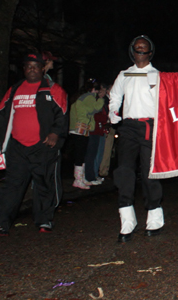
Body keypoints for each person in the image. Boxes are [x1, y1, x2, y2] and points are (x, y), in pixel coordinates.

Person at [0, 54, 68, 236]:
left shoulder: (53, 89)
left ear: (43, 68)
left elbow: (63, 113)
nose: (32, 69)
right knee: (12, 185)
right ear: (24, 69)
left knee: (44, 184)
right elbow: (2, 115)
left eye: (36, 66)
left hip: (42, 145)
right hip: (17, 147)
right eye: (28, 66)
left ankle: (44, 220)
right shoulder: (15, 89)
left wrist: (55, 133)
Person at [109, 35, 163, 241]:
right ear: (132, 51)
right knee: (124, 170)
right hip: (129, 126)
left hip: (150, 125)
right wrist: (113, 111)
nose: (140, 50)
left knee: (150, 172)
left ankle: (155, 218)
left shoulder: (157, 75)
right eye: (137, 47)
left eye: (144, 48)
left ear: (150, 52)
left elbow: (165, 101)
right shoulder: (124, 74)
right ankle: (127, 220)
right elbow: (115, 96)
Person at [68, 79, 104, 189]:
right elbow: (95, 108)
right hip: (81, 129)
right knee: (80, 155)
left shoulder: (81, 97)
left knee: (81, 155)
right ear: (94, 90)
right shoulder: (89, 97)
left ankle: (80, 178)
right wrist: (101, 100)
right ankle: (78, 180)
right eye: (98, 91)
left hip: (76, 129)